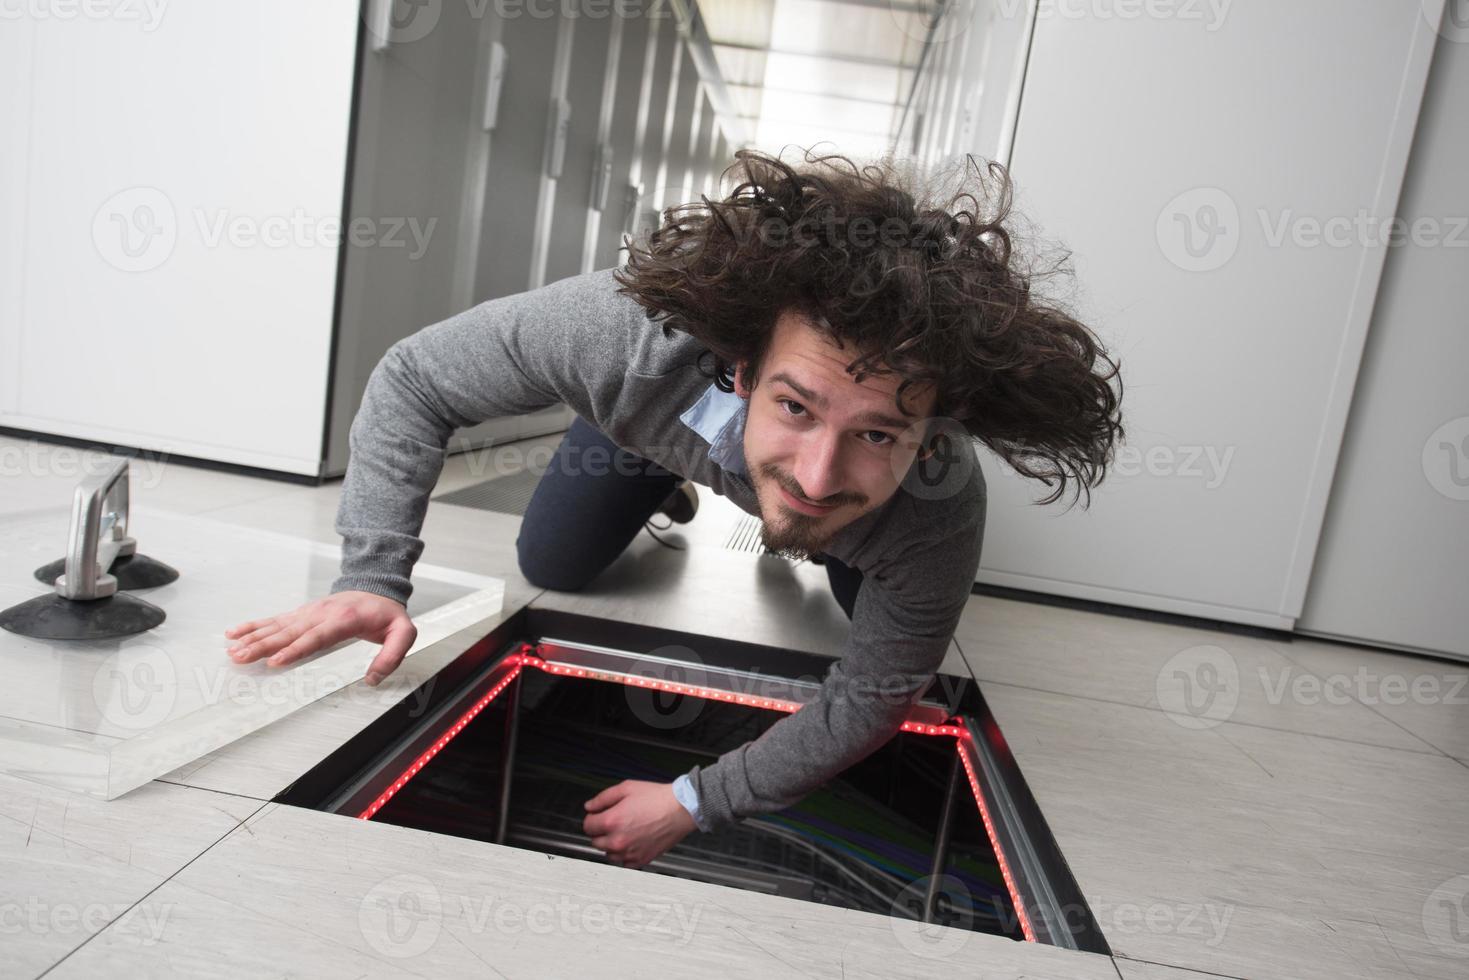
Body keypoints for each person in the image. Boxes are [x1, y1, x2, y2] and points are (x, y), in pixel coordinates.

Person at [223, 146, 1124, 870]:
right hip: (639, 435)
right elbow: (414, 378)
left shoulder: (936, 509)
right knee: (554, 564)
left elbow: (869, 700)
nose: (818, 471)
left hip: (874, 532)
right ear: (738, 368)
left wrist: (697, 801)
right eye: (795, 406)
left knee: (862, 612)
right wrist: (373, 574)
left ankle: (811, 516)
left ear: (930, 429)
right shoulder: (615, 338)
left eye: (879, 433)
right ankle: (666, 478)